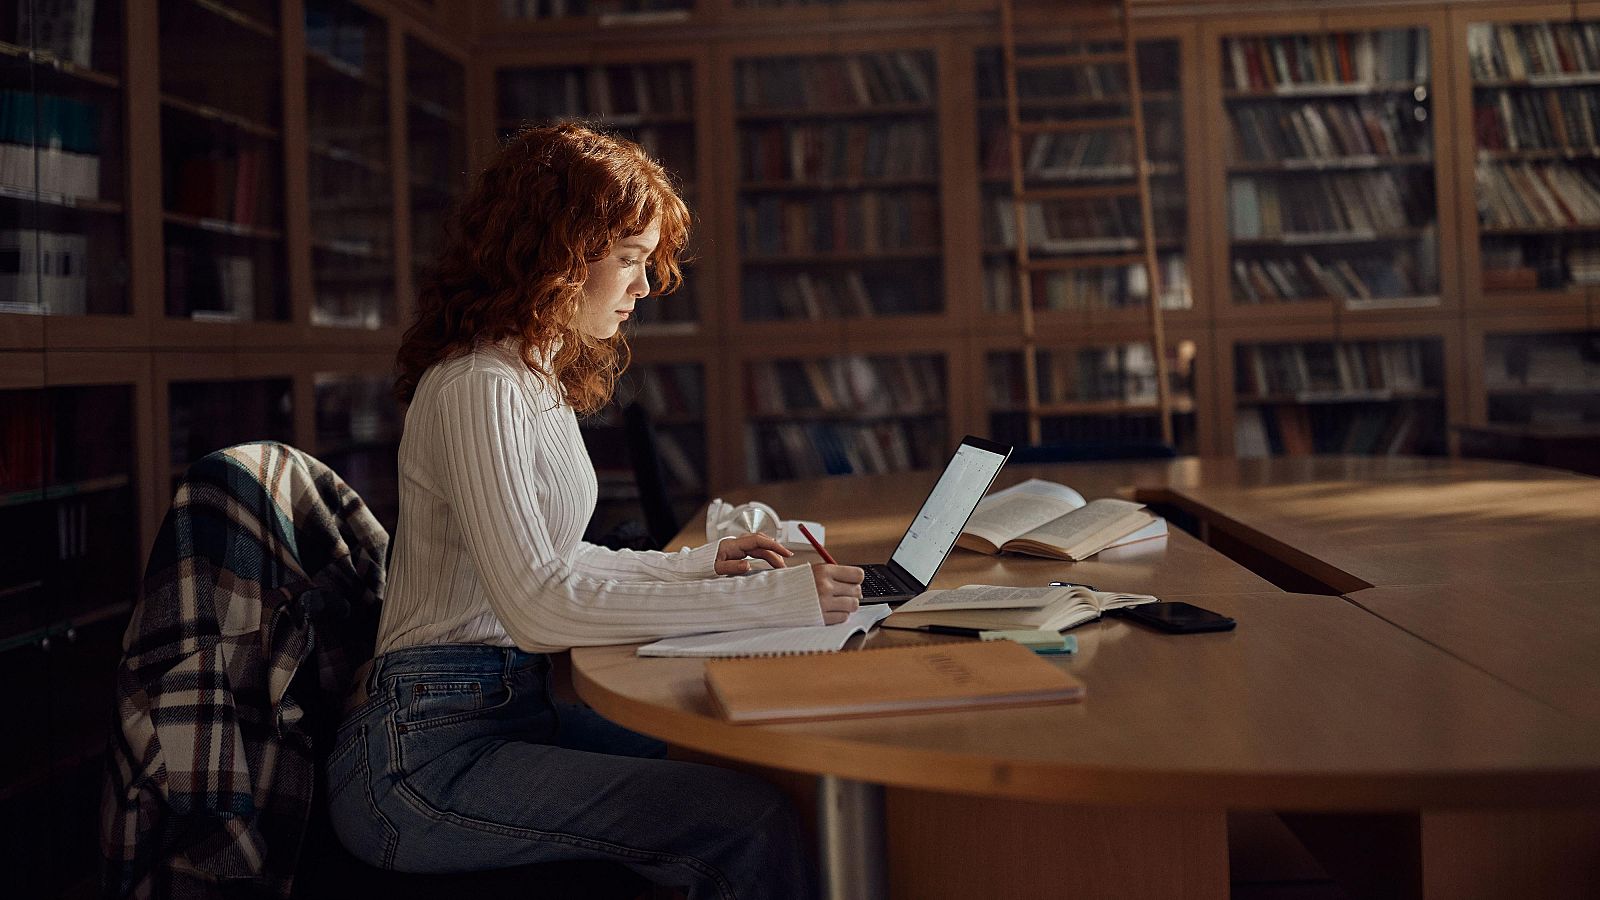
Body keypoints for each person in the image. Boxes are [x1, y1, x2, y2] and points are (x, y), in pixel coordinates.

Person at [325, 122, 864, 899]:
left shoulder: (530, 381)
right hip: (420, 761)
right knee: (741, 818)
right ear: (559, 255)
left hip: (499, 712)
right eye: (631, 261)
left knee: (739, 756)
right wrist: (766, 595)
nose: (645, 288)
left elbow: (558, 561)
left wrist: (701, 566)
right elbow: (539, 606)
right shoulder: (480, 386)